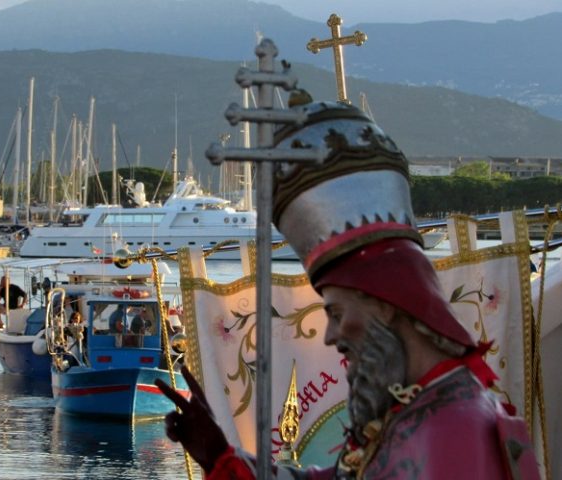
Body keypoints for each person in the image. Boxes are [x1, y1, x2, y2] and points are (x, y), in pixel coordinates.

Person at [156, 98, 541, 479]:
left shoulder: (454, 431)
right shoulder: (413, 415)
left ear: (387, 302)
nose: (331, 335)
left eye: (336, 313)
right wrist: (219, 455)